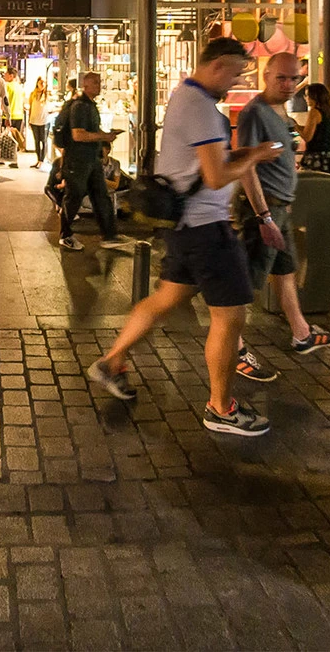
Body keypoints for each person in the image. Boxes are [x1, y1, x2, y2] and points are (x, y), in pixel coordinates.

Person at [87, 38, 285, 436]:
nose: (236, 82)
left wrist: (247, 154)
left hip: (185, 228)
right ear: (217, 67)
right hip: (206, 229)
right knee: (230, 317)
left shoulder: (185, 97)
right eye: (235, 73)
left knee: (165, 298)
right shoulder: (200, 107)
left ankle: (111, 363)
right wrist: (258, 156)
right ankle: (221, 407)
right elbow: (215, 176)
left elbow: (210, 163)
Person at [236, 52, 330, 369]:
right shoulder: (255, 113)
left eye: (295, 78)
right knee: (246, 282)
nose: (288, 84)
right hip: (264, 210)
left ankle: (301, 332)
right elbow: (246, 165)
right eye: (281, 77)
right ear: (266, 75)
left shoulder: (280, 110)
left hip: (279, 207)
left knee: (285, 271)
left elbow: (291, 144)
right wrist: (264, 215)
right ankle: (233, 345)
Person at [52, 72, 127, 251]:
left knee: (100, 195)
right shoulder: (80, 106)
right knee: (74, 197)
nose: (99, 85)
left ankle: (109, 234)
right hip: (78, 160)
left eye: (99, 81)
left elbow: (87, 131)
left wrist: (104, 136)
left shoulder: (89, 106)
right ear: (85, 85)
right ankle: (66, 234)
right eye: (95, 82)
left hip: (90, 160)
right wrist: (104, 136)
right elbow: (78, 134)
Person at [26, 77, 51, 168]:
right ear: (37, 83)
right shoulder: (33, 94)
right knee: (36, 141)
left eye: (44, 83)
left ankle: (42, 160)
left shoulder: (47, 94)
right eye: (41, 83)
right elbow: (31, 107)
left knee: (44, 141)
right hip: (34, 120)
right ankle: (38, 159)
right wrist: (29, 119)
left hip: (44, 121)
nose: (42, 85)